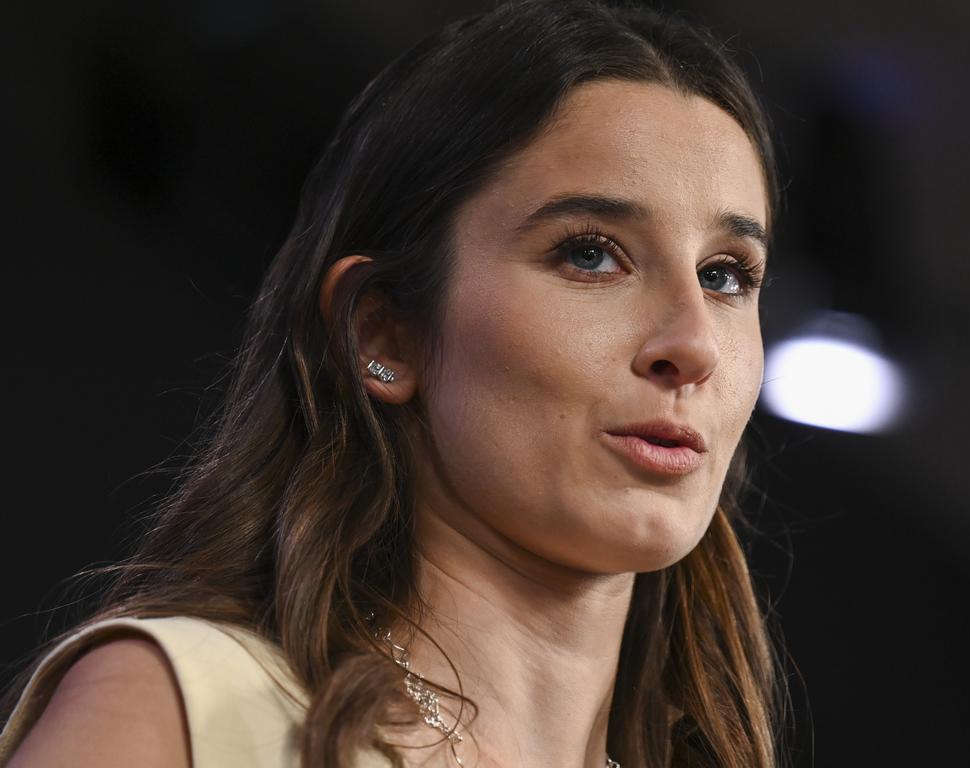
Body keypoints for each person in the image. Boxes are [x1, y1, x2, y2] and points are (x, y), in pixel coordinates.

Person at [0, 0, 786, 766]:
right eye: (590, 254)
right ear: (385, 334)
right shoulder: (192, 712)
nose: (692, 344)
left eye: (725, 275)